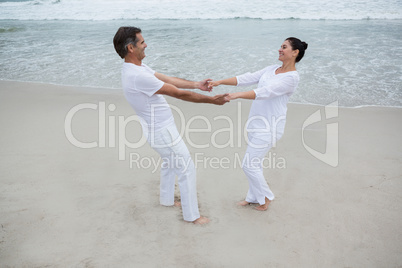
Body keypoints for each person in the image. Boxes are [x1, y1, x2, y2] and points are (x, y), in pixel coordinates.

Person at [113, 26, 229, 224]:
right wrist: (212, 101)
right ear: (131, 48)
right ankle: (192, 216)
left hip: (159, 129)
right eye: (142, 42)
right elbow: (177, 93)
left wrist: (196, 84)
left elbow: (166, 79)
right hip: (162, 131)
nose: (146, 44)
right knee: (186, 167)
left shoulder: (136, 68)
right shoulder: (137, 76)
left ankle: (166, 200)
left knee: (170, 162)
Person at [209, 37, 308, 211]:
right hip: (256, 124)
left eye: (284, 47)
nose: (279, 49)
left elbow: (265, 92)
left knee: (249, 164)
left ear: (295, 52)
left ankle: (266, 197)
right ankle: (253, 197)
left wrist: (235, 95)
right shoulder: (272, 69)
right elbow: (247, 78)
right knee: (254, 164)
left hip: (270, 127)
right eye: (280, 46)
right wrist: (220, 82)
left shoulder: (292, 78)